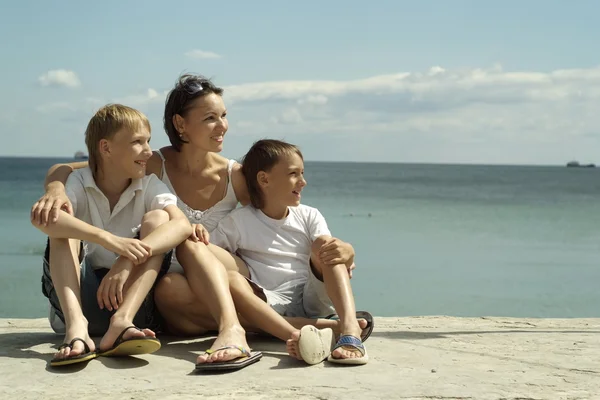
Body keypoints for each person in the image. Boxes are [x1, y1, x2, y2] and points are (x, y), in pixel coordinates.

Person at [31, 74, 368, 367]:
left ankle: (240, 329)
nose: (222, 126)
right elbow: (74, 168)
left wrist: (336, 251)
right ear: (181, 124)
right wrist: (56, 187)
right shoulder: (151, 163)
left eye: (224, 116)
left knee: (190, 238)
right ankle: (314, 328)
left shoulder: (235, 176)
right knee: (168, 284)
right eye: (210, 118)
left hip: (219, 271)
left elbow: (283, 207)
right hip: (163, 282)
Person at [31, 104, 192, 367]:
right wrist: (110, 240)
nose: (148, 151)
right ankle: (76, 329)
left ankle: (121, 322)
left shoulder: (149, 184)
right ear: (105, 148)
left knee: (159, 219)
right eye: (137, 142)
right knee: (63, 225)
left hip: (135, 306)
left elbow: (182, 225)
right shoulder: (78, 182)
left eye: (148, 141)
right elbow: (46, 221)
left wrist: (125, 260)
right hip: (80, 302)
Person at [211, 139, 369, 365]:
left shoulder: (309, 215)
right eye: (293, 174)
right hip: (270, 303)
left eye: (302, 173)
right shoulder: (237, 222)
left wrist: (347, 251)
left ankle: (350, 328)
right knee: (231, 278)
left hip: (312, 295)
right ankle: (330, 328)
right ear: (264, 179)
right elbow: (211, 261)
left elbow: (331, 251)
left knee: (326, 246)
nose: (303, 182)